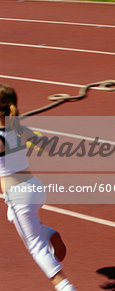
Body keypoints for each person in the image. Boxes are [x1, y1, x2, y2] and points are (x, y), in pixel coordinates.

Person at [0, 84, 76, 291]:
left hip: (18, 195)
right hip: (34, 188)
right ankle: (48, 233)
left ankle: (65, 286)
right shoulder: (19, 129)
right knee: (15, 218)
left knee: (36, 247)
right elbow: (48, 146)